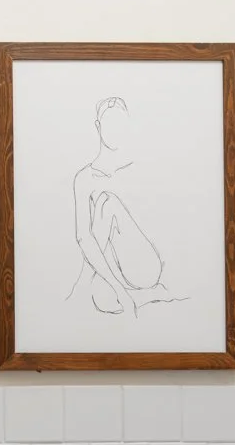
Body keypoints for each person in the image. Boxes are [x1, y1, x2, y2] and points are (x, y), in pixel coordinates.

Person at [69, 96, 178, 315]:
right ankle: (150, 295)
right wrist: (118, 289)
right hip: (112, 263)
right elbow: (83, 237)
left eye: (119, 123)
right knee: (102, 299)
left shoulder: (136, 167)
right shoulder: (83, 178)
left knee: (106, 202)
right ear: (98, 126)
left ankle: (92, 285)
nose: (114, 130)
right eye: (109, 123)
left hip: (143, 264)